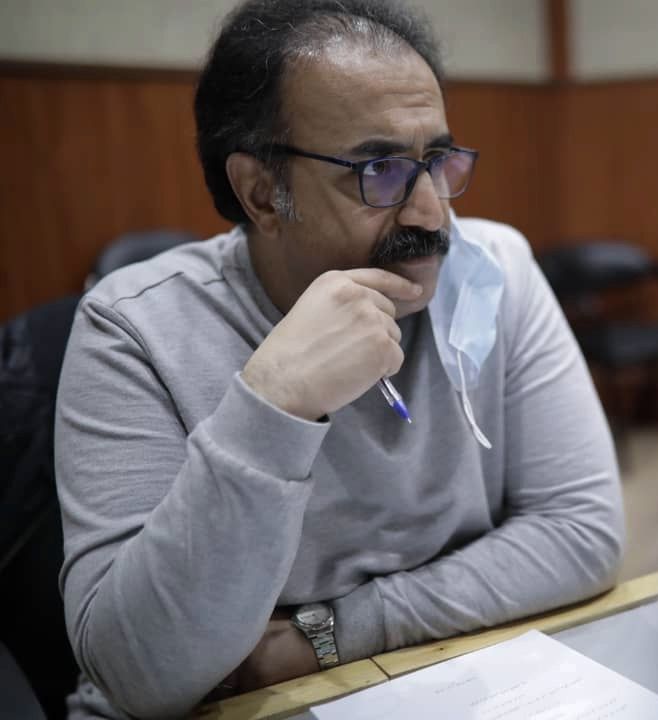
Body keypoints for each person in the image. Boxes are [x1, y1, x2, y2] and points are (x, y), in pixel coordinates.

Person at [54, 1, 625, 717]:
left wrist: (326, 635)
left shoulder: (492, 269)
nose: (431, 214)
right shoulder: (133, 326)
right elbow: (139, 676)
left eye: (437, 162)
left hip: (434, 677)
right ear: (261, 193)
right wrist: (275, 403)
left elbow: (581, 532)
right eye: (379, 169)